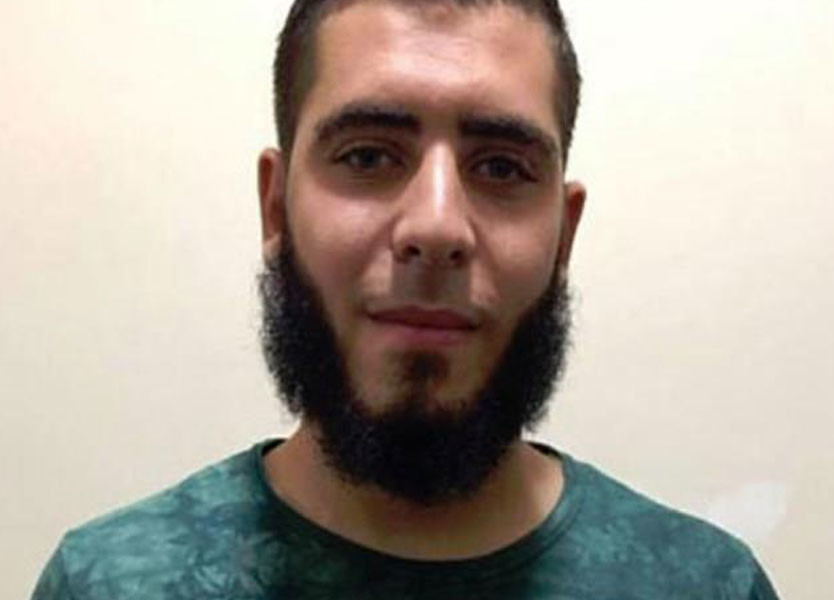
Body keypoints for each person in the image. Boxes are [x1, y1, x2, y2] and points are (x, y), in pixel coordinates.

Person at [32, 0, 781, 598]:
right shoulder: (109, 583)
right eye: (367, 156)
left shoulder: (706, 586)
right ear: (276, 208)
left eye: (501, 167)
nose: (436, 226)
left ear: (564, 234)